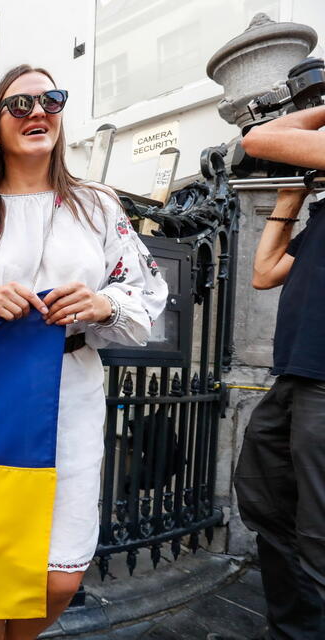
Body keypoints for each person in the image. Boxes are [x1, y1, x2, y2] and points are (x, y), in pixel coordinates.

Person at [0, 64, 167, 640]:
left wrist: (103, 305)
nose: (37, 111)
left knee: (59, 578)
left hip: (69, 387)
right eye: (19, 105)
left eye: (50, 99)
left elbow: (146, 292)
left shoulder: (96, 206)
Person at [233, 104, 325, 639]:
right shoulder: (319, 222)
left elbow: (260, 140)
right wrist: (292, 196)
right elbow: (265, 273)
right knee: (265, 500)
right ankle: (295, 628)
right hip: (295, 378)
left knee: (318, 532)